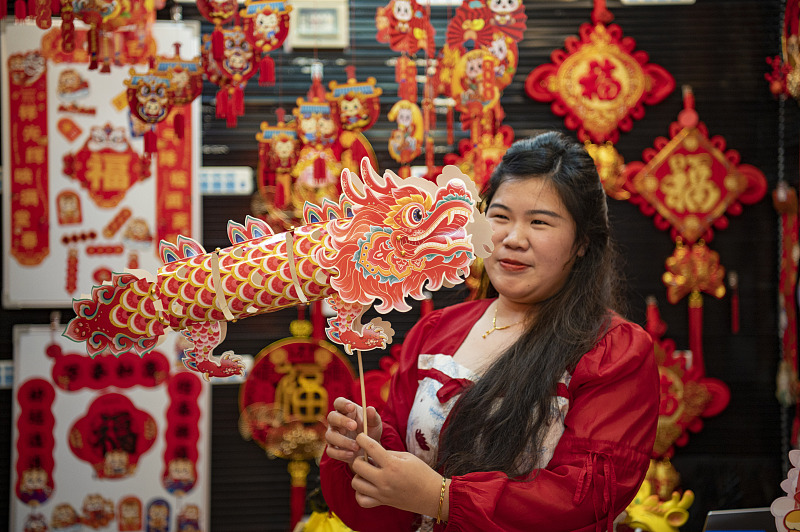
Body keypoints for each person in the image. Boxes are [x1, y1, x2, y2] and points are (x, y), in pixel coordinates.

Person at [320, 131, 659, 531]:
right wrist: (372, 443)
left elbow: (582, 499)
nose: (513, 239)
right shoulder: (436, 332)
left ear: (582, 241)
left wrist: (442, 497)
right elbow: (391, 508)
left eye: (539, 222)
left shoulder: (613, 350)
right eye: (499, 217)